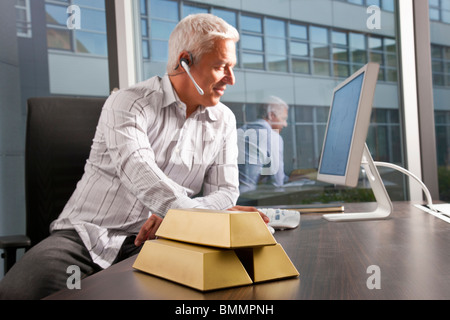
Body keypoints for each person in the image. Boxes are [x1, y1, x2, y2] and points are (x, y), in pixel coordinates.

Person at [0, 13, 267, 300]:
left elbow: (226, 192)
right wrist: (183, 214)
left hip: (161, 240)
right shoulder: (128, 102)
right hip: (85, 237)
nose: (231, 78)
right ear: (184, 61)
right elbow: (139, 171)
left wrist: (176, 218)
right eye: (220, 66)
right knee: (22, 291)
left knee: (226, 287)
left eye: (232, 67)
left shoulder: (223, 120)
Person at [238, 96, 289, 193]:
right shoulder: (272, 137)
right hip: (249, 199)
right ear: (271, 115)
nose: (285, 124)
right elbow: (277, 182)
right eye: (283, 119)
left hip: (229, 198)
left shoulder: (240, 131)